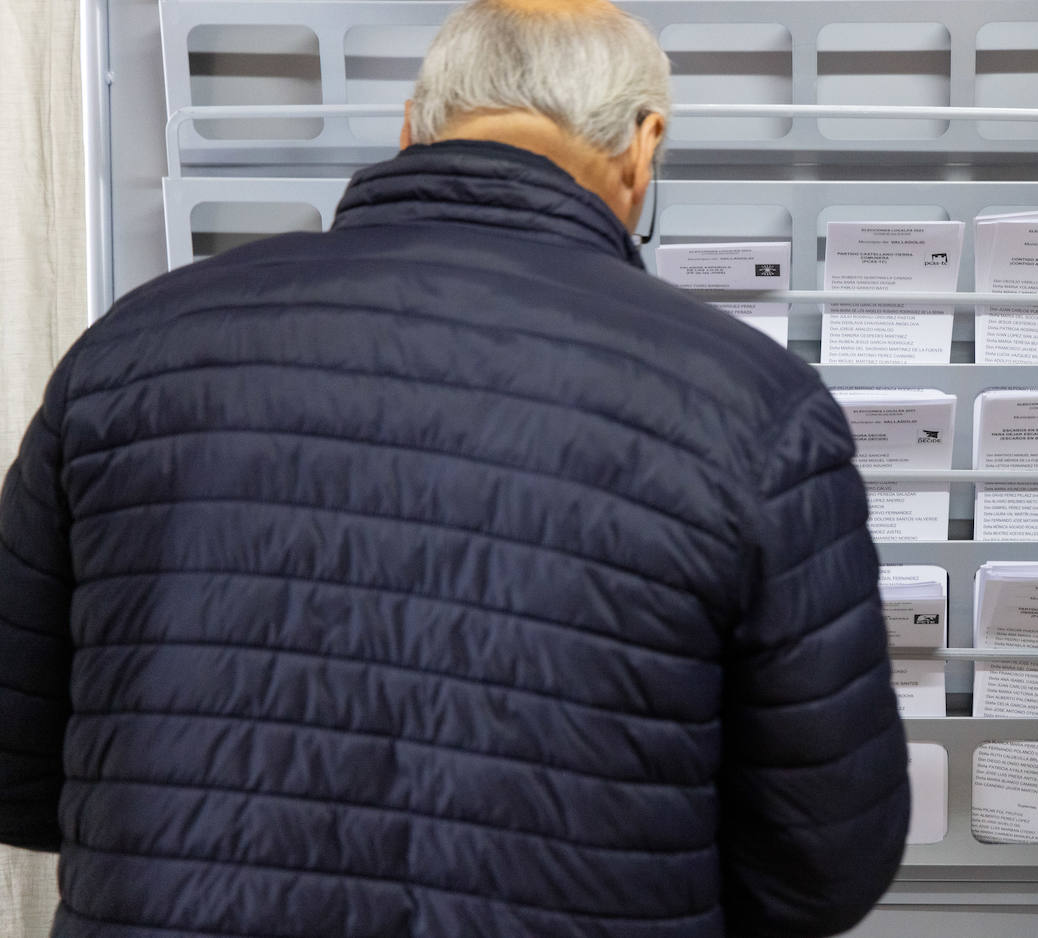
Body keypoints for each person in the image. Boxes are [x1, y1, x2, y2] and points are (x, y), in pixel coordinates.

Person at [0, 0, 910, 934]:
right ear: (645, 148)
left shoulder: (134, 348)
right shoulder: (752, 403)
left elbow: (18, 761)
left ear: (412, 126)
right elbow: (822, 858)